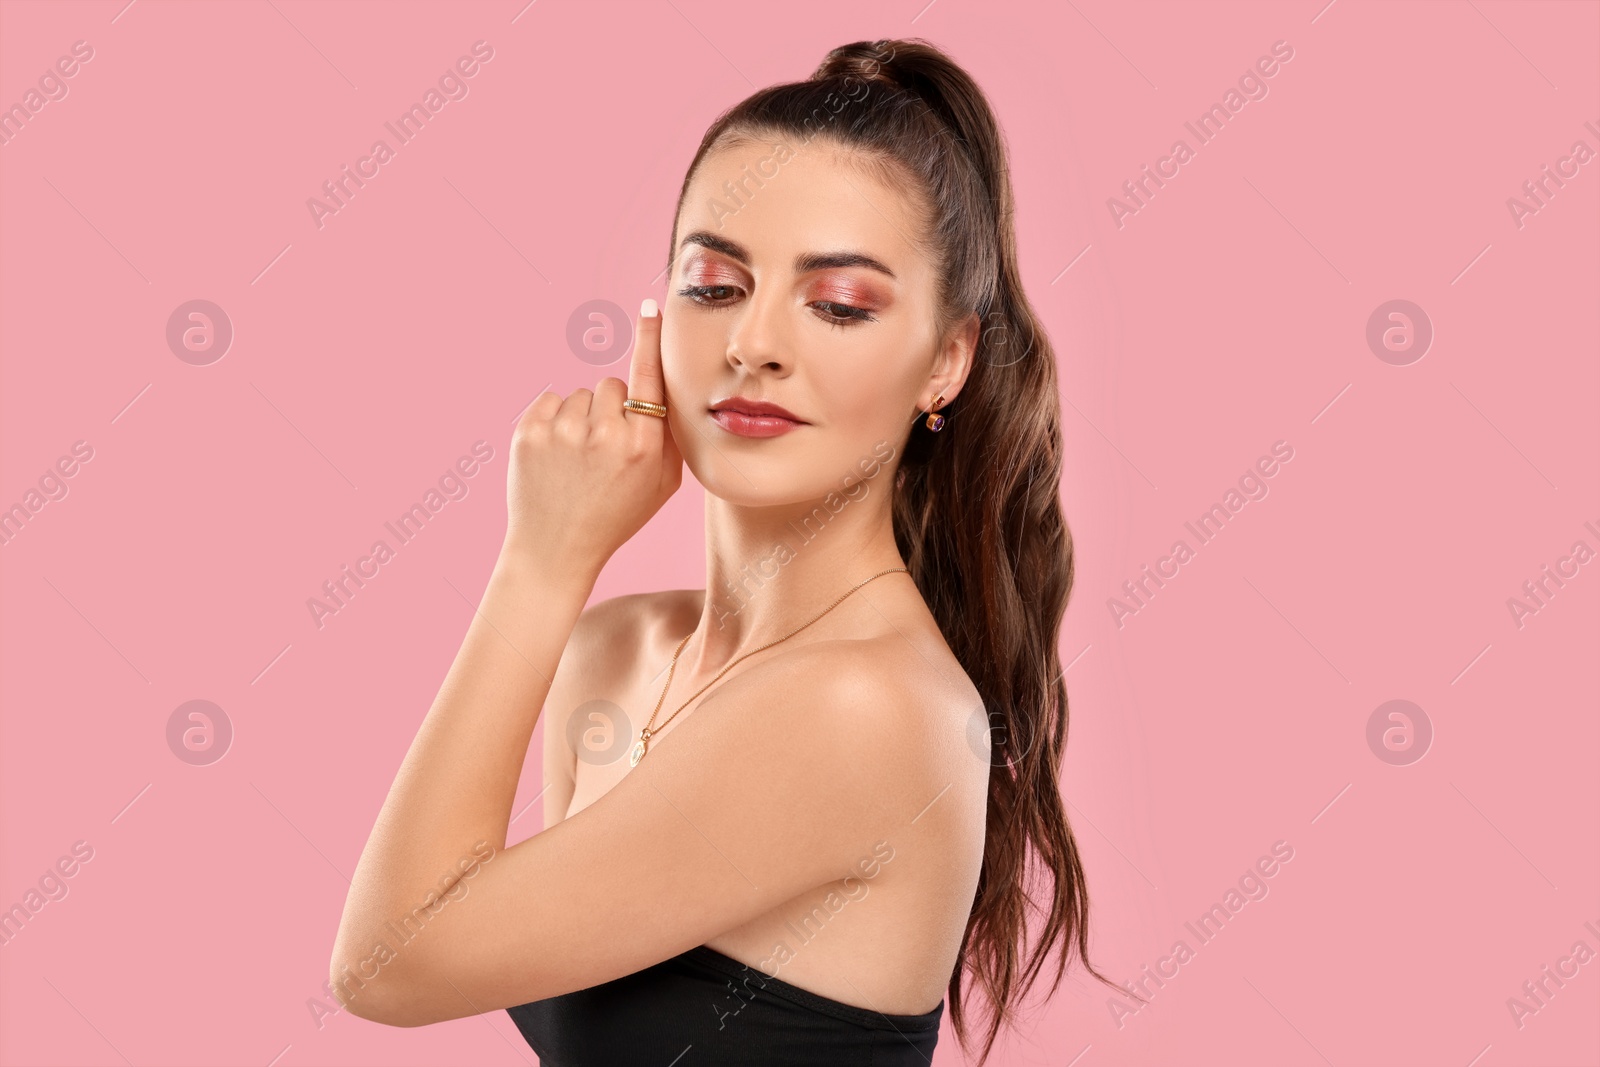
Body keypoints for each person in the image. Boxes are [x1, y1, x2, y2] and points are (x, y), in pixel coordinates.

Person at [328, 36, 1130, 1066]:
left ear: (945, 362)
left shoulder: (867, 704)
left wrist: (541, 561)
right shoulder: (616, 650)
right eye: (714, 285)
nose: (755, 342)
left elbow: (387, 963)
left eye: (838, 303)